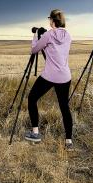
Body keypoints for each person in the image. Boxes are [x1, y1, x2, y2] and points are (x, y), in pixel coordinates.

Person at [24, 8, 73, 149]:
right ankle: (68, 141)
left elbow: (34, 50)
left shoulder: (49, 35)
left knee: (32, 98)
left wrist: (36, 36)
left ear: (52, 21)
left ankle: (35, 133)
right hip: (65, 76)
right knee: (64, 107)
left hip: (50, 76)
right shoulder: (68, 35)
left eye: (50, 19)